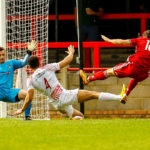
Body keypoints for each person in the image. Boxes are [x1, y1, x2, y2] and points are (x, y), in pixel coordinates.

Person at [12, 45, 125, 119]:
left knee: (80, 117)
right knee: (92, 95)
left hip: (56, 103)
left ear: (29, 67)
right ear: (39, 62)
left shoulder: (30, 80)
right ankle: (120, 97)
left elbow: (29, 98)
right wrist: (71, 53)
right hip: (64, 96)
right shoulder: (48, 67)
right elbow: (66, 61)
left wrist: (22, 110)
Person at [80, 30, 150, 104]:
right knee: (136, 78)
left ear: (145, 36)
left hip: (133, 66)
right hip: (145, 73)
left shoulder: (142, 40)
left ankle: (88, 79)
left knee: (109, 72)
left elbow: (122, 42)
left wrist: (109, 40)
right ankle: (126, 95)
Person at [0, 40, 37, 120]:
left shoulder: (11, 63)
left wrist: (29, 52)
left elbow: (24, 63)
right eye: (0, 55)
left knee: (28, 94)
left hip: (9, 92)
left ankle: (27, 117)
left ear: (5, 54)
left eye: (3, 55)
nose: (2, 57)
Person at [74, 0, 104, 67]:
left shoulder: (96, 1)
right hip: (81, 26)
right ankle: (82, 68)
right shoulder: (78, 1)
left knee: (93, 47)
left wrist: (93, 12)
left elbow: (101, 13)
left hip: (93, 26)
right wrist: (77, 27)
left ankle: (94, 68)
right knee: (81, 48)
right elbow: (76, 12)